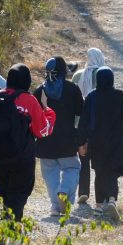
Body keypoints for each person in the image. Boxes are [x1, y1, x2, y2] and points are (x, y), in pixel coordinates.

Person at [0, 64, 56, 221]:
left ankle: (8, 225)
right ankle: (10, 228)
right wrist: (49, 112)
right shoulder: (29, 100)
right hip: (22, 158)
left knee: (6, 195)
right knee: (18, 196)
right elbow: (42, 130)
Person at [34, 57, 85, 216]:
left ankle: (55, 207)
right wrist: (82, 138)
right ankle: (64, 191)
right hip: (67, 140)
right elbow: (81, 112)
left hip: (44, 141)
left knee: (50, 175)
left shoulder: (40, 91)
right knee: (72, 168)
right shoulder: (72, 89)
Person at [78, 66, 123, 220]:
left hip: (97, 140)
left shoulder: (91, 96)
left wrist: (81, 142)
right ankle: (112, 200)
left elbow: (84, 122)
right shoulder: (119, 94)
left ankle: (99, 206)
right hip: (116, 139)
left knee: (99, 171)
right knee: (113, 170)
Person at [71, 47, 106, 204]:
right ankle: (102, 193)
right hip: (99, 123)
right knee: (100, 158)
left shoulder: (78, 75)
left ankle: (83, 192)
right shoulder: (104, 73)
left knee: (83, 158)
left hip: (80, 122)